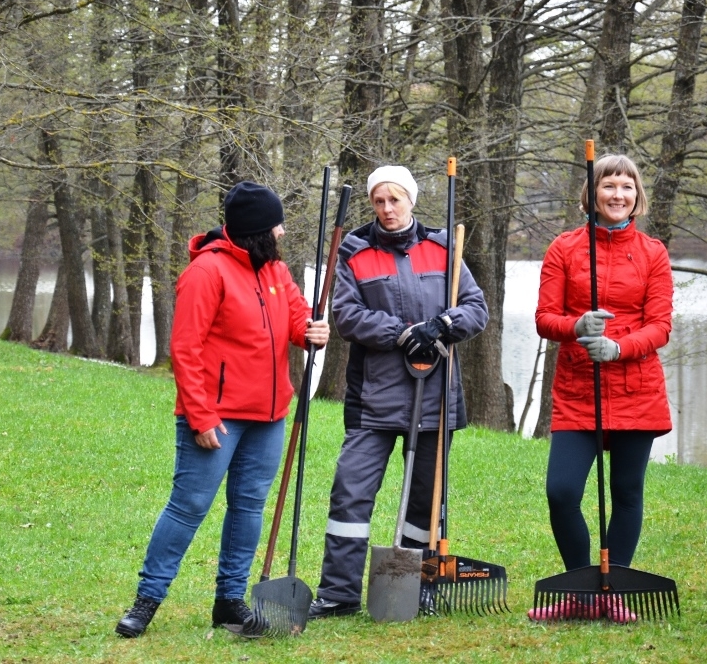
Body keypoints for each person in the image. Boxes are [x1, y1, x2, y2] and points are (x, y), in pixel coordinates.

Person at [115, 181, 330, 638]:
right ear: (256, 231)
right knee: (188, 507)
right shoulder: (206, 273)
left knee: (248, 507)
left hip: (268, 417)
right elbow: (185, 349)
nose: (284, 232)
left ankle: (229, 602)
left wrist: (312, 330)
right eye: (277, 225)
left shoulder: (274, 271)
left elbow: (296, 321)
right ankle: (146, 600)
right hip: (218, 417)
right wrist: (201, 415)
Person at [308, 165, 488, 619]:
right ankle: (338, 594)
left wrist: (441, 326)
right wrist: (403, 333)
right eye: (379, 201)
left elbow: (475, 308)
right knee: (350, 492)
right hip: (375, 398)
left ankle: (414, 586)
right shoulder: (355, 250)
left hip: (435, 397)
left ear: (411, 199)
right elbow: (346, 315)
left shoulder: (445, 248)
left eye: (395, 200)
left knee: (426, 501)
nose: (387, 209)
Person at [530, 154, 673, 624]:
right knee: (562, 492)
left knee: (627, 492)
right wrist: (577, 326)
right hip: (578, 387)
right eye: (608, 186)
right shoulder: (565, 248)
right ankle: (581, 587)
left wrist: (619, 348)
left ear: (638, 196)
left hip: (636, 387)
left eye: (627, 188)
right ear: (591, 194)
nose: (617, 195)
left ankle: (612, 589)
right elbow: (544, 319)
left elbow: (660, 326)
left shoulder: (653, 253)